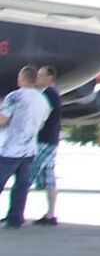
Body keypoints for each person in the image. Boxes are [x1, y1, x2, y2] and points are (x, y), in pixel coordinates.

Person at [0, 66, 51, 229]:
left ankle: (14, 218)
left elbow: (2, 120)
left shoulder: (14, 97)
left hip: (11, 147)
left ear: (22, 78)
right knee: (21, 186)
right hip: (30, 148)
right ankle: (15, 218)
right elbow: (42, 123)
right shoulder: (43, 100)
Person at [30, 64, 61, 225]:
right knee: (49, 178)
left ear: (50, 78)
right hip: (51, 140)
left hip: (44, 141)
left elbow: (42, 117)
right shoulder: (52, 94)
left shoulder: (48, 95)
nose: (38, 78)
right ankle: (51, 214)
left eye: (41, 75)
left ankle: (16, 212)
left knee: (28, 173)